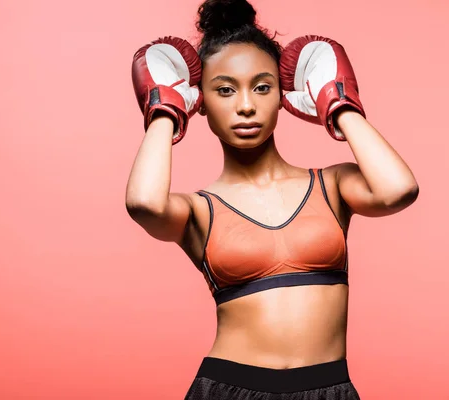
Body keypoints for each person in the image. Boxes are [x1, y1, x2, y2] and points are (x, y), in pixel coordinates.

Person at [126, 0, 419, 398]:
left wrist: (340, 104)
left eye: (262, 87)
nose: (246, 106)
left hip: (327, 389)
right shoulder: (197, 210)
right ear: (200, 102)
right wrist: (165, 109)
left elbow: (398, 190)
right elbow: (143, 203)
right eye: (225, 90)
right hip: (228, 387)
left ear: (285, 94)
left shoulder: (332, 185)